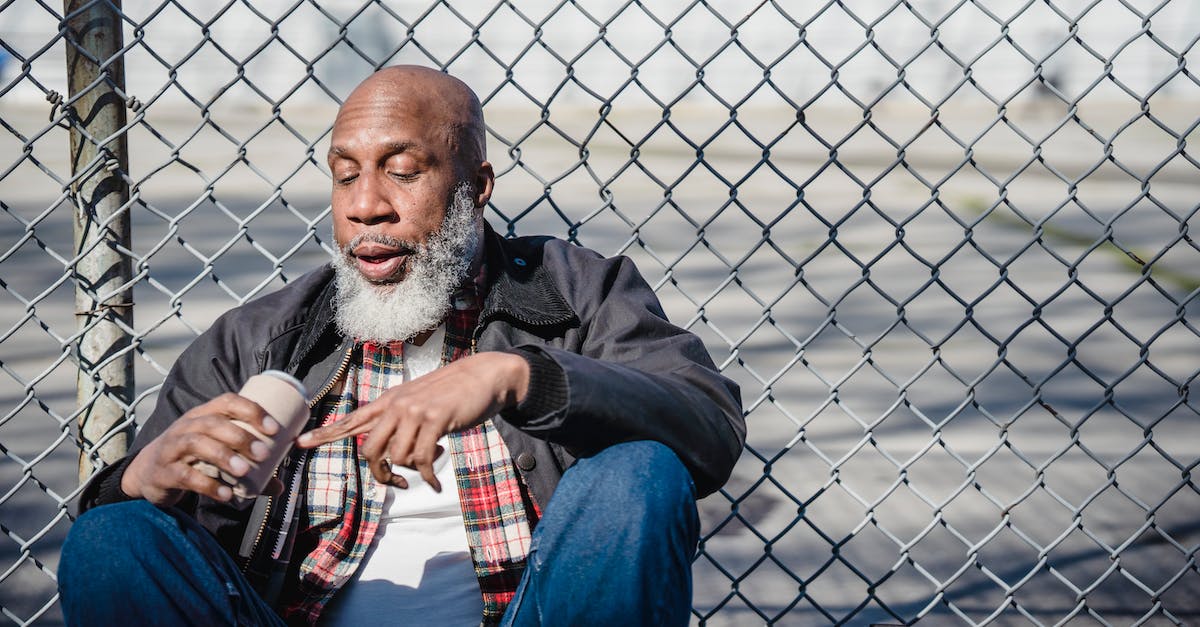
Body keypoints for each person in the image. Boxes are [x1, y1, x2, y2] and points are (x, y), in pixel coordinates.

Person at [58, 65, 744, 626]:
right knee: (111, 537)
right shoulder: (261, 336)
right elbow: (147, 566)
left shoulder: (579, 291)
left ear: (476, 188)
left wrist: (520, 376)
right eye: (346, 173)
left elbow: (709, 425)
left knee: (635, 471)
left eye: (403, 170)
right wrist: (136, 481)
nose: (366, 205)